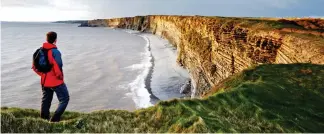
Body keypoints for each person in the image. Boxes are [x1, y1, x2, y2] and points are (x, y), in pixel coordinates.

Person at [32, 31, 69, 122]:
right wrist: (60, 78)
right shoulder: (55, 52)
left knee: (46, 100)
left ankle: (44, 120)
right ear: (55, 40)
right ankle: (54, 119)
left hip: (44, 81)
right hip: (56, 81)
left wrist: (44, 75)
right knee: (64, 99)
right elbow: (58, 66)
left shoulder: (39, 51)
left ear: (46, 39)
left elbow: (34, 67)